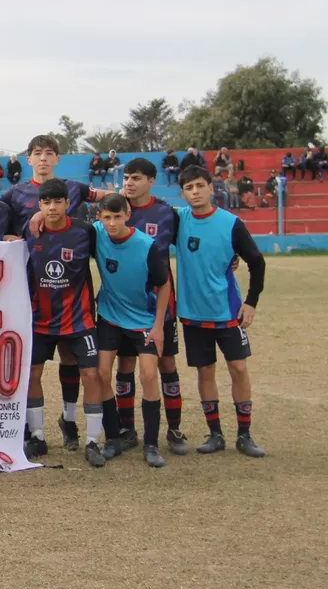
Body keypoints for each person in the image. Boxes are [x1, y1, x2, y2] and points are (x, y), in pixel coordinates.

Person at [0, 134, 104, 449]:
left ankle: (70, 421)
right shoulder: (13, 194)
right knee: (31, 367)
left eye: (50, 153)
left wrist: (124, 195)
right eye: (38, 153)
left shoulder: (73, 189)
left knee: (71, 360)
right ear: (28, 159)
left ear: (57, 159)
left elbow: (105, 198)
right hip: (30, 288)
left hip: (69, 287)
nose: (44, 158)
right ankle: (32, 433)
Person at [23, 179, 122, 467]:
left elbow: (116, 241)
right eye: (46, 203)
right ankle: (38, 437)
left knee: (92, 376)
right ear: (39, 205)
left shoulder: (86, 232)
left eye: (58, 202)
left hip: (79, 319)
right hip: (39, 320)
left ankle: (92, 441)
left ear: (69, 204)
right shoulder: (29, 231)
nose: (52, 207)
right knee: (32, 374)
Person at [175, 166, 266, 458]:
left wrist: (250, 302)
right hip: (192, 313)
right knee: (205, 371)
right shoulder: (178, 219)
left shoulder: (231, 223)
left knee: (238, 368)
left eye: (200, 185)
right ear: (183, 193)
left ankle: (245, 434)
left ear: (211, 188)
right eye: (189, 187)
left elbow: (257, 261)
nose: (195, 191)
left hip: (227, 311)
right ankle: (215, 434)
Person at [113, 159, 189, 455]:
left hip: (159, 304)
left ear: (151, 181)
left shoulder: (168, 214)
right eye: (126, 177)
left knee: (166, 364)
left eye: (136, 178)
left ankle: (174, 429)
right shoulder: (117, 207)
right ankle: (127, 429)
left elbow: (191, 244)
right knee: (125, 365)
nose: (129, 182)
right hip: (123, 305)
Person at [93, 194, 172, 467]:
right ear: (99, 218)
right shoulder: (96, 234)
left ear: (128, 214)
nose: (112, 223)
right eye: (106, 218)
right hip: (110, 316)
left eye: (117, 217)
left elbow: (164, 285)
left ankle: (151, 444)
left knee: (149, 375)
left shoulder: (147, 245)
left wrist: (159, 326)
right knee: (101, 373)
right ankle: (114, 438)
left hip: (143, 319)